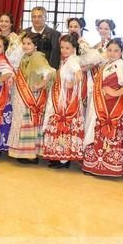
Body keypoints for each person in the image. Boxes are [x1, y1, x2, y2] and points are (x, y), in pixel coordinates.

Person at [82, 38, 123, 177]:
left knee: (112, 132)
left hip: (114, 106)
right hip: (103, 104)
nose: (112, 53)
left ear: (122, 52)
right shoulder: (107, 64)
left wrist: (116, 92)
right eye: (109, 50)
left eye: (116, 51)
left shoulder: (120, 65)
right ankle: (97, 163)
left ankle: (110, 165)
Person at [7, 32, 54, 163]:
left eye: (29, 44)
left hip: (31, 95)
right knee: (25, 121)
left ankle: (30, 154)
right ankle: (26, 152)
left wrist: (41, 84)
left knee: (29, 121)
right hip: (24, 93)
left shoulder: (37, 57)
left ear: (36, 46)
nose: (26, 46)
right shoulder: (26, 56)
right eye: (24, 43)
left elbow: (49, 72)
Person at [41, 33, 84, 169]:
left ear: (73, 49)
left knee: (64, 125)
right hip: (60, 97)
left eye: (67, 48)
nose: (64, 50)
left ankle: (64, 159)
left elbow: (79, 75)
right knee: (59, 125)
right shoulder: (65, 60)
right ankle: (59, 155)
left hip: (67, 100)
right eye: (62, 47)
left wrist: (72, 84)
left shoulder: (73, 61)